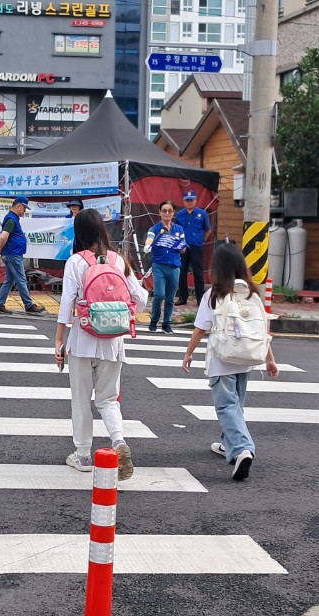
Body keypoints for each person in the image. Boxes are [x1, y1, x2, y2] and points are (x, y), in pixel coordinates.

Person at [55, 209, 149, 480]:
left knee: (81, 399)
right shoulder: (118, 260)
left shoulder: (75, 261)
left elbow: (66, 305)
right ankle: (118, 442)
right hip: (113, 340)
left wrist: (59, 339)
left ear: (79, 232)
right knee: (108, 399)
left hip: (83, 340)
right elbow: (141, 299)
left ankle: (83, 455)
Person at [182, 245, 279, 481]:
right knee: (236, 406)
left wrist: (188, 353)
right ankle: (228, 443)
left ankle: (242, 449)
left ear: (218, 269)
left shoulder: (214, 295)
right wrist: (270, 360)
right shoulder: (252, 294)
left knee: (226, 407)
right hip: (246, 359)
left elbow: (200, 329)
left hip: (222, 359)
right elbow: (261, 331)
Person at [0, 196, 46, 315]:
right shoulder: (11, 219)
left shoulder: (12, 218)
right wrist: (0, 249)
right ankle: (29, 305)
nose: (24, 212)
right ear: (18, 206)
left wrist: (1, 249)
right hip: (13, 254)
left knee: (9, 281)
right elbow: (3, 236)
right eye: (24, 208)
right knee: (21, 280)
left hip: (12, 253)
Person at [143, 200, 187, 334]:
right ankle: (154, 320)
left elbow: (183, 248)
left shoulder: (178, 229)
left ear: (173, 213)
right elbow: (150, 239)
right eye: (164, 211)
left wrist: (178, 246)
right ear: (160, 212)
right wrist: (147, 245)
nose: (167, 213)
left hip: (174, 266)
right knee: (159, 294)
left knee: (170, 297)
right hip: (159, 266)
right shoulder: (155, 229)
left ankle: (166, 323)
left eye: (170, 211)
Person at [173, 189, 210, 306]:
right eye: (187, 200)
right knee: (181, 271)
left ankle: (200, 298)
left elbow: (208, 230)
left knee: (198, 272)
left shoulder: (202, 214)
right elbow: (176, 230)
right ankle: (182, 297)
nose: (189, 202)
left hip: (196, 246)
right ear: (184, 202)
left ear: (195, 201)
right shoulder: (179, 215)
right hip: (183, 246)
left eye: (191, 200)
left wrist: (202, 240)